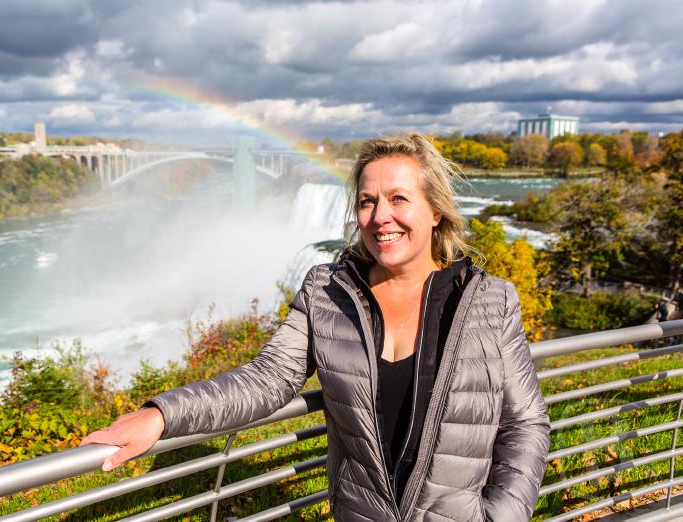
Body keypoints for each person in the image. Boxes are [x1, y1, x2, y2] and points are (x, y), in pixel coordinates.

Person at [82, 133, 550, 521]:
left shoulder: (491, 300)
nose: (380, 217)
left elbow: (525, 423)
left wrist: (504, 515)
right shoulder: (327, 293)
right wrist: (163, 415)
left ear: (435, 212)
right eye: (367, 202)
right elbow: (268, 379)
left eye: (398, 199)